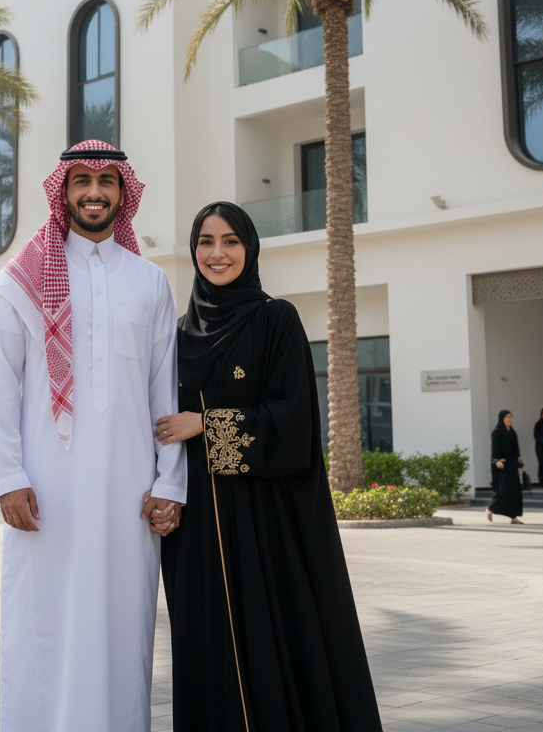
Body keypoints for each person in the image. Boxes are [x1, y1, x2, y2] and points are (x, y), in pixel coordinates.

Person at [155, 202, 382, 732]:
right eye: (206, 242)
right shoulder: (178, 335)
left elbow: (295, 422)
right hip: (197, 529)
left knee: (270, 642)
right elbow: (156, 423)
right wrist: (160, 491)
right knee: (206, 647)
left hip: (263, 524)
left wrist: (206, 425)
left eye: (231, 241)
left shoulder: (276, 319)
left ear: (250, 249)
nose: (217, 253)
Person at [0, 140, 186, 732]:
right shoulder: (23, 279)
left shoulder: (150, 281)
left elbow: (164, 393)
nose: (94, 192)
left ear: (123, 193)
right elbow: (2, 385)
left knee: (123, 625)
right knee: (42, 623)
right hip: (46, 490)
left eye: (106, 181)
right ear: (64, 192)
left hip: (130, 493)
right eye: (81, 181)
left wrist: (170, 482)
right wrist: (9, 477)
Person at [486, 410, 524, 524]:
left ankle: (513, 517)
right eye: (507, 417)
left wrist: (520, 463)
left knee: (514, 491)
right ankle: (490, 509)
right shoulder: (497, 432)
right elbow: (495, 449)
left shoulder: (513, 433)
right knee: (503, 490)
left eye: (511, 417)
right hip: (502, 466)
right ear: (502, 419)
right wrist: (497, 461)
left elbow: (517, 450)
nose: (509, 419)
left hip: (512, 465)